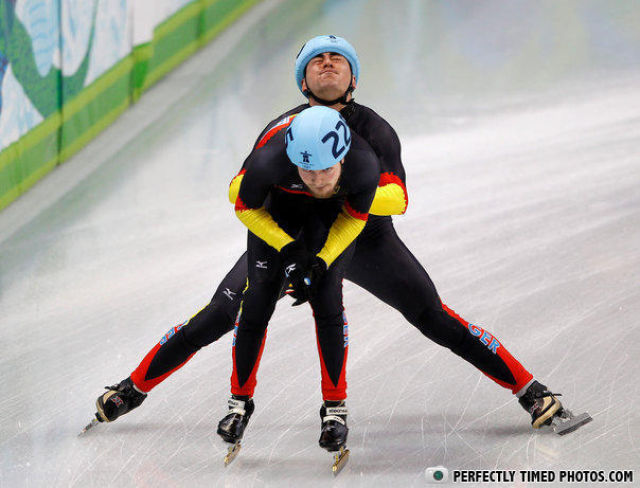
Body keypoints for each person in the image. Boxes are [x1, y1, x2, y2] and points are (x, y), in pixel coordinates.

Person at [93, 35, 580, 437]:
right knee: (222, 313)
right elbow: (244, 196)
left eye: (338, 60)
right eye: (317, 62)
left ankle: (531, 389)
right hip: (291, 239)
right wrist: (290, 246)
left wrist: (343, 193)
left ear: (354, 79)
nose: (327, 65)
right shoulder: (279, 132)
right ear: (303, 81)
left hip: (362, 239)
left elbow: (397, 199)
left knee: (432, 315)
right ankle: (132, 387)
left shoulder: (375, 131)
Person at [217, 105, 379, 456]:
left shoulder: (365, 164)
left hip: (329, 220)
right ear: (293, 160)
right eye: (307, 171)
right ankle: (238, 403)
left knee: (327, 299)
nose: (318, 180)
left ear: (343, 158)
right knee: (256, 299)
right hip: (278, 214)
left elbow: (354, 219)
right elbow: (245, 207)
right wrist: (288, 249)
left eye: (325, 170)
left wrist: (322, 260)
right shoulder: (268, 160)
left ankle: (335, 409)